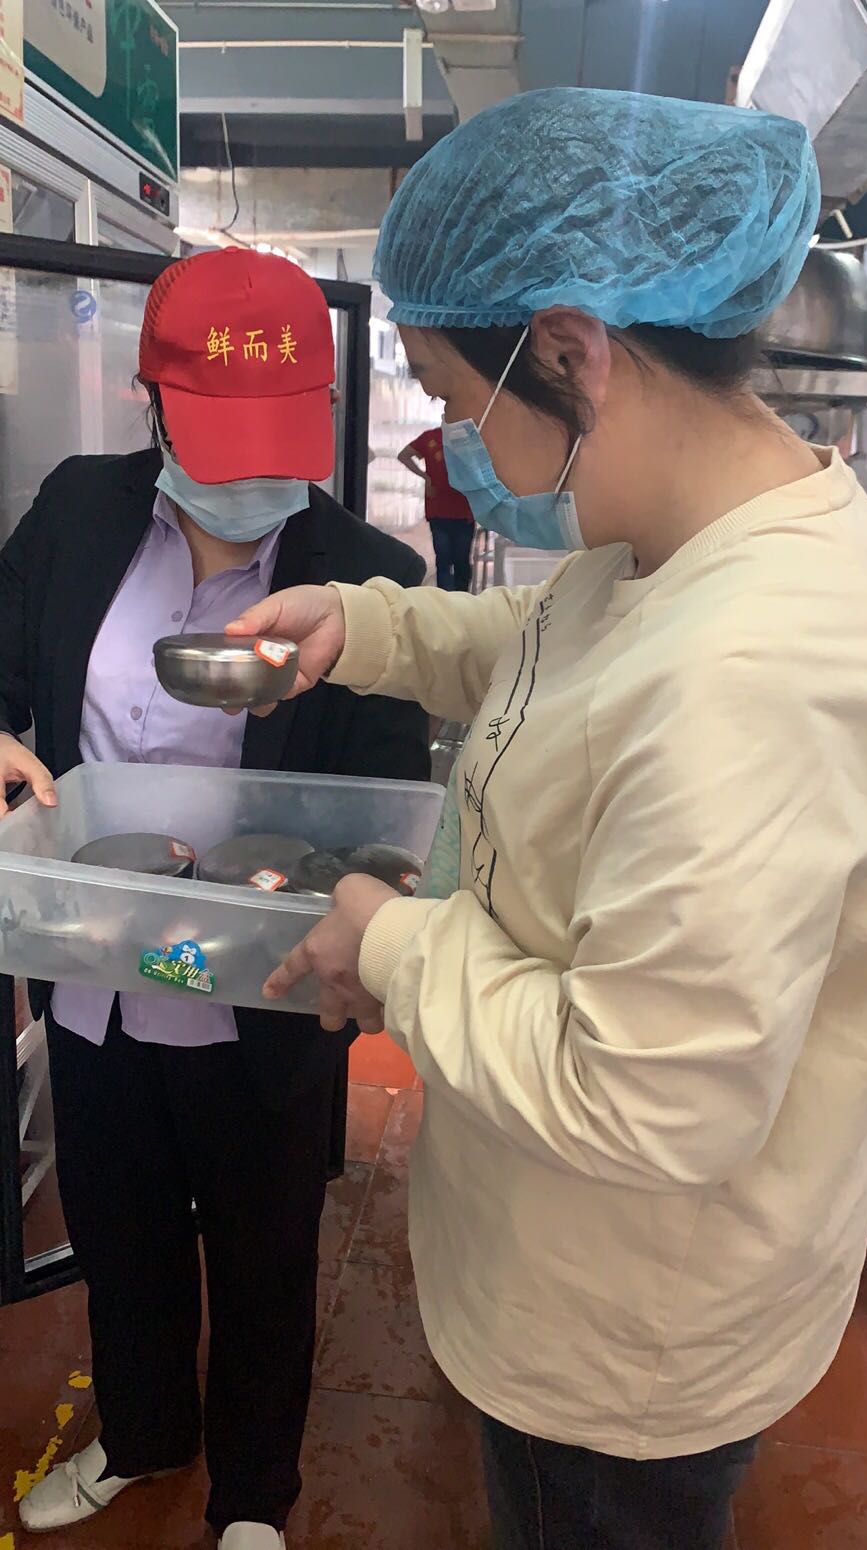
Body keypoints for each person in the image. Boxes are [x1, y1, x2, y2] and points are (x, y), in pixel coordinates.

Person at [226, 90, 867, 1550]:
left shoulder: (747, 675)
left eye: (455, 399)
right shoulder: (681, 544)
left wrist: (390, 941)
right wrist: (364, 622)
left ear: (572, 353)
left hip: (624, 1330)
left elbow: (644, 1095)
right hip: (564, 1248)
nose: (451, 439)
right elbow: (550, 646)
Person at [0, 248, 429, 1550]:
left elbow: (382, 809)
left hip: (261, 986)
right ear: (155, 405)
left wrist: (333, 893)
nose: (246, 484)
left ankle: (253, 1492)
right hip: (97, 970)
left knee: (262, 1248)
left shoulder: (367, 576)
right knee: (119, 1228)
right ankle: (143, 1434)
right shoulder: (78, 512)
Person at [398, 424, 475, 590]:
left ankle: (461, 598)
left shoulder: (469, 439)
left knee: (459, 561)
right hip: (439, 511)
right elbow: (403, 455)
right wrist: (425, 477)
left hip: (463, 510)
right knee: (445, 560)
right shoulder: (430, 438)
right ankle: (446, 599)